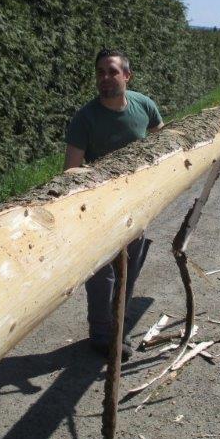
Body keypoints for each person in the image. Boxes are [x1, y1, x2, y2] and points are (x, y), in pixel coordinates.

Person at [64, 49, 164, 360]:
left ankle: (118, 326)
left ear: (127, 76)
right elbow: (70, 171)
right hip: (101, 207)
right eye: (100, 73)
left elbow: (162, 140)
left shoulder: (143, 105)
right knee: (101, 274)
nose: (105, 79)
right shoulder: (85, 119)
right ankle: (101, 336)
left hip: (137, 204)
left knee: (129, 269)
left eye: (112, 72)